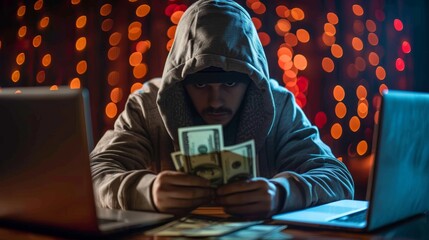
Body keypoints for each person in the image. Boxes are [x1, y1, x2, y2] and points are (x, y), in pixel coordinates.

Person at [90, 0, 354, 219]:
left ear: (252, 83)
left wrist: (282, 192)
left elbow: (338, 178)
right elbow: (92, 175)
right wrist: (145, 190)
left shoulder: (279, 104)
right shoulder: (147, 105)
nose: (215, 101)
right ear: (180, 83)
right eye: (201, 83)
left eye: (229, 83)